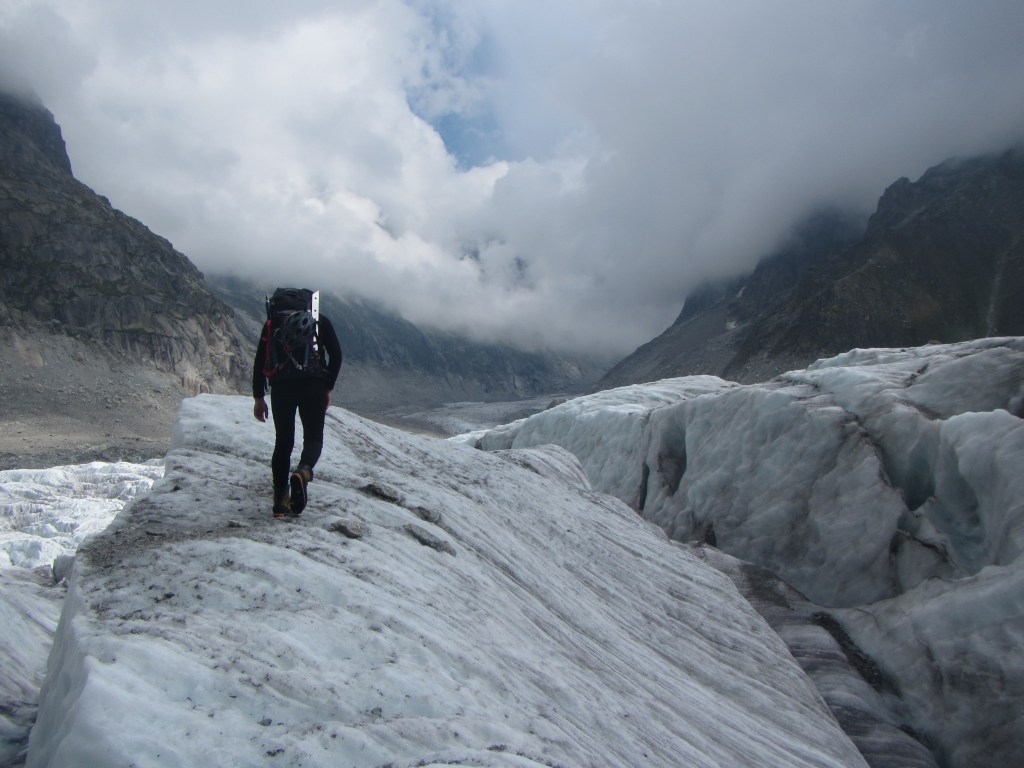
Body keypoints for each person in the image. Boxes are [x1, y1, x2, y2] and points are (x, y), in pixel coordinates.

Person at [252, 290, 342, 518]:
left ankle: (280, 501)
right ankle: (303, 472)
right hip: (313, 385)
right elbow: (337, 355)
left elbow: (260, 360)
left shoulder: (273, 322)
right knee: (313, 438)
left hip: (282, 387)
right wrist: (328, 386)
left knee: (283, 442)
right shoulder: (319, 320)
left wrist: (258, 398)